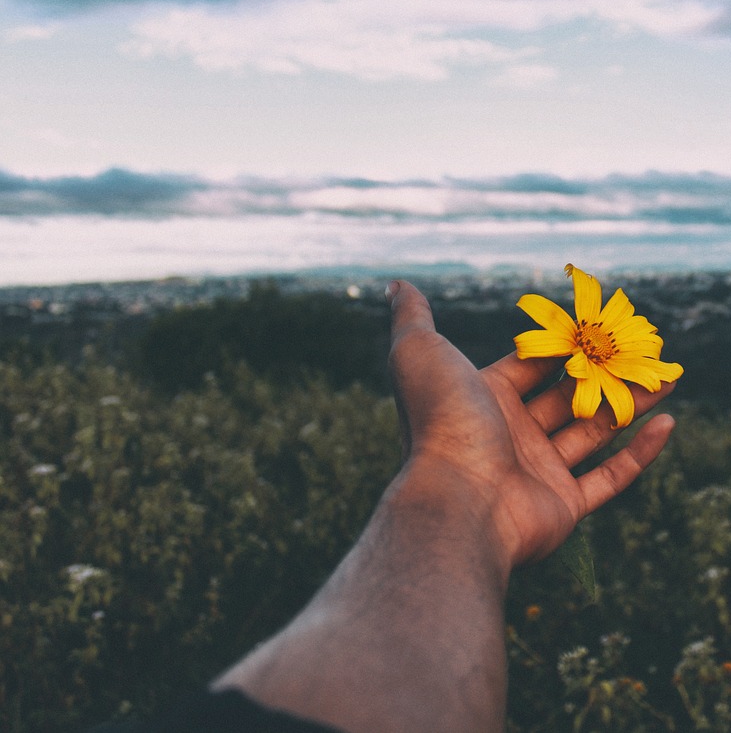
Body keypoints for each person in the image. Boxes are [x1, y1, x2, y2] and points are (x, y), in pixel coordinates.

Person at [96, 280, 678, 733]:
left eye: (595, 342)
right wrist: (464, 487)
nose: (591, 343)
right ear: (583, 335)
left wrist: (460, 488)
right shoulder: (569, 343)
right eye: (588, 338)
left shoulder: (588, 352)